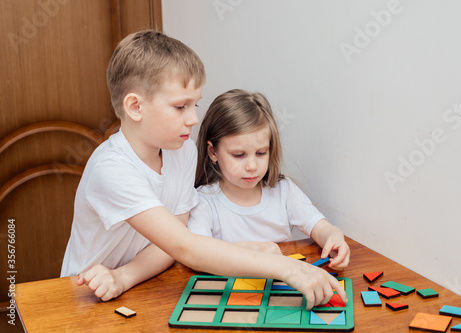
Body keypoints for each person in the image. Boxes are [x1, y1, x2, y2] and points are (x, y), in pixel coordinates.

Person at [60, 30, 347, 310]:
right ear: (135, 107)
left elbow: (172, 242)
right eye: (180, 107)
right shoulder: (112, 169)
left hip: (140, 284)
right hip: (86, 294)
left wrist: (123, 277)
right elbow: (185, 247)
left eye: (194, 104)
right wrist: (288, 269)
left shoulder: (182, 152)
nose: (194, 119)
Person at [188, 89, 350, 271]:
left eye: (261, 153)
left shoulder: (283, 190)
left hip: (279, 288)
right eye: (239, 155)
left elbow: (321, 228)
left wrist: (334, 238)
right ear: (213, 152)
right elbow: (199, 254)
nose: (252, 166)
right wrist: (255, 253)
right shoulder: (202, 201)